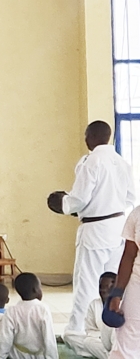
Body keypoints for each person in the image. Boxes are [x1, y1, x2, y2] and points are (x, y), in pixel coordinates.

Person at [48, 121, 136, 340]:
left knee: (86, 282)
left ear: (94, 136)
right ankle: (110, 331)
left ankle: (76, 331)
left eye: (86, 135)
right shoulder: (122, 162)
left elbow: (80, 198)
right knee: (112, 281)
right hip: (118, 227)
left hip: (95, 229)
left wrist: (63, 204)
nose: (85, 139)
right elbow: (131, 197)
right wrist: (109, 205)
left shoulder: (92, 161)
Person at [86, 206, 140, 359]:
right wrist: (117, 292)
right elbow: (128, 256)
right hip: (137, 281)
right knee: (125, 340)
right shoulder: (137, 215)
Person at [0, 273, 61, 359]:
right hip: (41, 358)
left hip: (18, 357)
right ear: (35, 290)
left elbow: (5, 338)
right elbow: (49, 337)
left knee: (4, 336)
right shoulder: (43, 309)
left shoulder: (11, 311)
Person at [66, 272, 117, 359]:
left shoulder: (120, 305)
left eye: (107, 287)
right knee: (70, 336)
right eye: (101, 287)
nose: (103, 290)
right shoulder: (94, 304)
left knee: (90, 343)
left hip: (117, 344)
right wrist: (100, 337)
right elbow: (90, 330)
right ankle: (109, 358)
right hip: (99, 341)